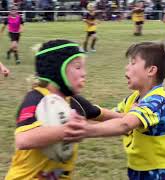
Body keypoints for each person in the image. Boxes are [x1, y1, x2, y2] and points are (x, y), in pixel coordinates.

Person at [64, 42, 165, 180]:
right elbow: (116, 116)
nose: (127, 67)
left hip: (163, 174)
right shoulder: (134, 98)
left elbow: (125, 124)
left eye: (133, 63)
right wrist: (89, 110)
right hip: (138, 171)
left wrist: (86, 130)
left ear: (151, 70)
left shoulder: (156, 102)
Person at [4, 39, 119, 179]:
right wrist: (68, 130)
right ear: (57, 71)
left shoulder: (73, 100)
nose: (84, 73)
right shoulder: (36, 98)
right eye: (78, 67)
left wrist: (130, 115)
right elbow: (23, 139)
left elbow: (100, 113)